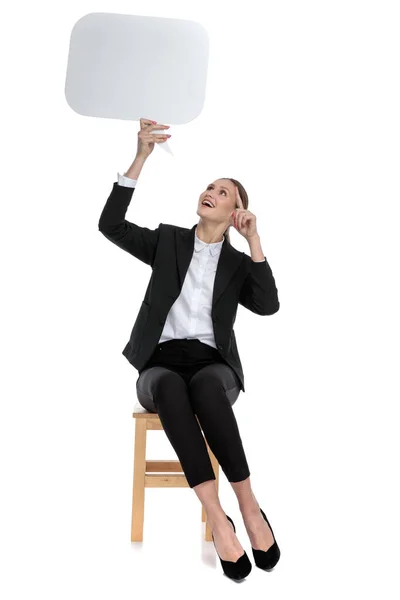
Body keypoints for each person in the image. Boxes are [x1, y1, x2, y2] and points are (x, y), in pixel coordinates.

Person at [98, 118, 281, 579]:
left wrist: (254, 240)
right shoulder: (168, 243)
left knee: (203, 386)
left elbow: (268, 305)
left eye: (223, 192)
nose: (210, 193)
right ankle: (218, 518)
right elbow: (111, 224)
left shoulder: (239, 263)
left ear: (237, 211)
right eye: (209, 187)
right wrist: (141, 157)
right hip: (158, 365)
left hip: (214, 367)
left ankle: (248, 505)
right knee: (173, 388)